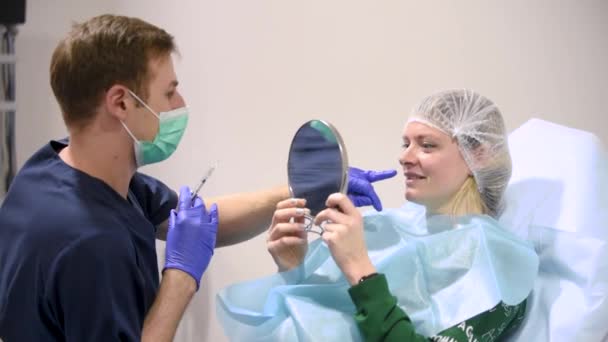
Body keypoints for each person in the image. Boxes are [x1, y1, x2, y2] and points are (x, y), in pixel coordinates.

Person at [0, 15, 393, 342]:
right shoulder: (93, 244)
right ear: (121, 102)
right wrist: (182, 276)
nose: (180, 105)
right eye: (169, 93)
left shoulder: (54, 168)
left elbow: (196, 222)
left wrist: (302, 191)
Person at [218, 89, 538, 341]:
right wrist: (293, 266)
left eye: (426, 145)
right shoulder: (386, 226)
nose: (404, 157)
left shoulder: (502, 265)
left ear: (478, 155)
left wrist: (360, 269)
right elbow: (318, 315)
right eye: (405, 144)